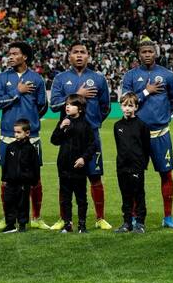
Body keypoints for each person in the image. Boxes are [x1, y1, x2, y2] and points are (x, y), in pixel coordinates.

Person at [50, 42, 112, 230]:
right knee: (65, 179)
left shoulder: (98, 79)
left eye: (82, 52)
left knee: (95, 176)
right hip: (68, 136)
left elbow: (106, 106)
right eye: (75, 52)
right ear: (69, 56)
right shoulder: (60, 78)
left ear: (88, 56)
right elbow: (54, 105)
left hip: (91, 136)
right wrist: (77, 94)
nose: (79, 55)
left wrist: (94, 123)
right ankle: (64, 219)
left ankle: (100, 218)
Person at [121, 37, 173, 229]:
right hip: (137, 136)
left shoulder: (167, 75)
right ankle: (134, 217)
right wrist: (146, 92)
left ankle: (168, 217)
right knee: (135, 176)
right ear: (139, 55)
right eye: (144, 52)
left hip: (161, 134)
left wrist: (163, 115)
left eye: (150, 52)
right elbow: (126, 101)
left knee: (166, 174)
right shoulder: (130, 76)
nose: (147, 55)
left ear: (156, 53)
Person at [0, 42, 49, 230]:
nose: (10, 56)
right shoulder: (2, 77)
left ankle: (36, 217)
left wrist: (30, 120)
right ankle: (7, 217)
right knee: (6, 179)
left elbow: (42, 106)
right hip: (8, 136)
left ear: (24, 57)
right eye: (9, 54)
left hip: (31, 137)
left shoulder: (37, 79)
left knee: (35, 178)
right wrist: (18, 91)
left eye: (15, 53)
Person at [50, 94, 96, 233]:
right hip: (64, 167)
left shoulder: (86, 125)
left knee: (81, 198)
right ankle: (67, 224)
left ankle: (82, 225)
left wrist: (83, 158)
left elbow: (92, 145)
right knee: (65, 199)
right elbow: (54, 140)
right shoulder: (64, 122)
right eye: (66, 104)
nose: (67, 107)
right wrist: (60, 128)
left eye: (71, 104)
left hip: (79, 168)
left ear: (80, 108)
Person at [113, 93, 151, 234]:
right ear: (120, 106)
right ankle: (127, 223)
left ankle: (140, 223)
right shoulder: (117, 126)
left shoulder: (142, 126)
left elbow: (146, 147)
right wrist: (121, 162)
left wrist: (142, 164)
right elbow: (119, 146)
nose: (127, 108)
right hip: (122, 166)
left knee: (138, 194)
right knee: (125, 195)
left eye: (130, 105)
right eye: (124, 105)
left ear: (136, 107)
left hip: (137, 166)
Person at [0, 119, 40, 233]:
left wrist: (34, 180)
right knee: (9, 202)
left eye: (18, 132)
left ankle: (22, 224)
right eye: (15, 132)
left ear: (27, 133)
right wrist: (4, 178)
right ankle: (10, 224)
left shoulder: (31, 149)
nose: (16, 135)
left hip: (24, 182)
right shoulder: (10, 147)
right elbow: (5, 164)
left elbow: (35, 166)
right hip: (11, 181)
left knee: (23, 203)